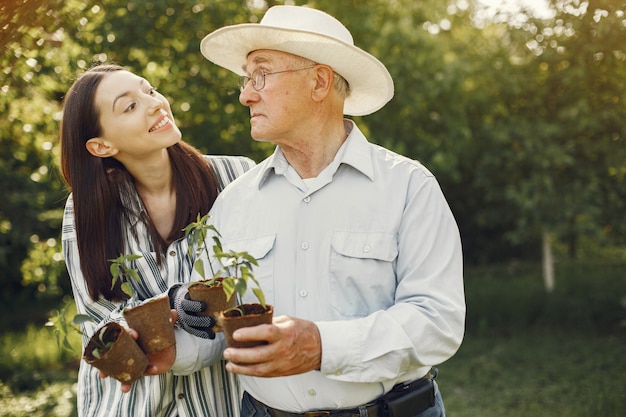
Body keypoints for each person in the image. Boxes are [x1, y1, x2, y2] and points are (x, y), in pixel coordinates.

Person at [179, 5, 466, 417]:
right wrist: (170, 341)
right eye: (245, 78)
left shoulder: (408, 186)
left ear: (319, 81)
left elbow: (437, 322)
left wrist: (320, 346)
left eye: (260, 74)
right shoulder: (233, 202)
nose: (245, 93)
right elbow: (213, 330)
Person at [59, 64, 254, 417]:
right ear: (101, 145)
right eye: (129, 106)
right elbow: (97, 320)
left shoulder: (238, 179)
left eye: (149, 90)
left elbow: (261, 292)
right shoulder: (86, 211)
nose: (154, 103)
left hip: (222, 404)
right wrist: (170, 306)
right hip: (131, 406)